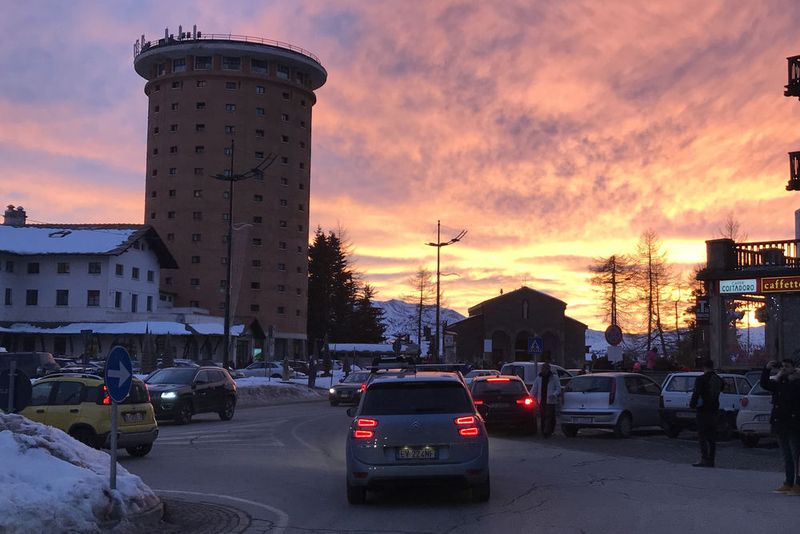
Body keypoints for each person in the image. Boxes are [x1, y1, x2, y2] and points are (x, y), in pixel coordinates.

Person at [760, 359, 800, 494]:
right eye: (782, 366)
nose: (783, 369)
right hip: (781, 423)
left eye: (787, 366)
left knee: (797, 455)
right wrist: (767, 369)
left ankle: (798, 484)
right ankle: (788, 482)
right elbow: (765, 384)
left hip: (794, 424)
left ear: (794, 368)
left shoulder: (796, 382)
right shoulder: (779, 382)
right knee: (786, 454)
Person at [689, 359, 722, 467]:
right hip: (714, 410)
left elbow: (696, 393)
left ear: (704, 367)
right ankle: (711, 459)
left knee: (702, 435)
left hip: (703, 411)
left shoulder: (701, 379)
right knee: (712, 437)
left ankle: (704, 458)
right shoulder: (718, 379)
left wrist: (692, 405)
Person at [530, 362, 560, 438]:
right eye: (543, 369)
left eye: (546, 368)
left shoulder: (554, 377)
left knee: (549, 416)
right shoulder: (539, 378)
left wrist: (554, 394)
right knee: (543, 416)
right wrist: (530, 396)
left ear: (548, 369)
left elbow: (558, 388)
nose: (544, 370)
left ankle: (547, 431)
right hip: (542, 400)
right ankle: (545, 430)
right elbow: (534, 389)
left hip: (550, 400)